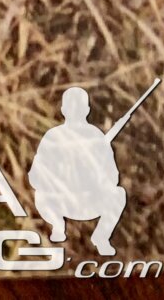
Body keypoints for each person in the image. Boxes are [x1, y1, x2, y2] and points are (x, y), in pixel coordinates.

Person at [30, 89, 129, 255]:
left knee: (118, 194)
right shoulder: (53, 137)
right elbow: (36, 176)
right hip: (60, 203)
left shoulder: (96, 138)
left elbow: (112, 178)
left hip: (88, 203)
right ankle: (58, 226)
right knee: (40, 194)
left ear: (63, 110)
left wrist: (92, 169)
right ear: (87, 110)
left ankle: (101, 237)